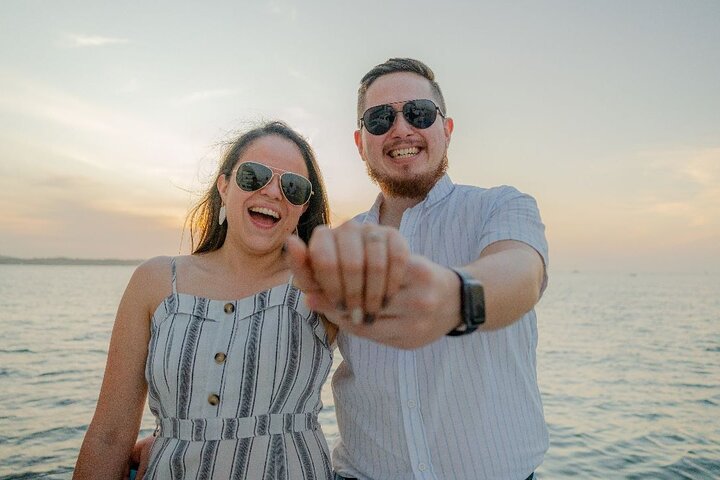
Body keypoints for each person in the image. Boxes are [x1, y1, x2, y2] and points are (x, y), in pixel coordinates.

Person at [286, 58, 549, 480]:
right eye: (380, 118)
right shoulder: (340, 245)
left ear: (446, 129)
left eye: (419, 113)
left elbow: (522, 275)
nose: (401, 128)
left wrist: (455, 297)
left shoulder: (500, 206)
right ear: (360, 141)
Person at [74, 121, 336, 479]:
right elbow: (109, 436)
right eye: (254, 175)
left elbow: (403, 331)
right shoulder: (155, 282)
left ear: (303, 208)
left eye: (293, 186)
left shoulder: (322, 284)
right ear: (224, 186)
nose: (274, 192)